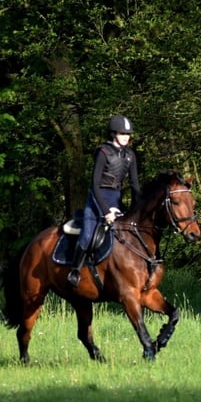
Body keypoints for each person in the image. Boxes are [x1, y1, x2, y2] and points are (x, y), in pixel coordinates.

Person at [68, 114, 141, 287]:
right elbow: (94, 184)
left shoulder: (130, 155)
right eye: (122, 133)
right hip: (97, 198)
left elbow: (134, 184)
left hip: (116, 198)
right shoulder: (103, 152)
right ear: (114, 134)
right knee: (87, 236)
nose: (126, 137)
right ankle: (75, 271)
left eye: (128, 134)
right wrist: (106, 211)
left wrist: (138, 207)